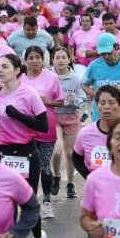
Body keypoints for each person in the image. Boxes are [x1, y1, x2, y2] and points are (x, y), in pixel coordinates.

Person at [0, 53, 50, 238]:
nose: (0, 70)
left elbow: (43, 126)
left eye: (5, 66)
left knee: (28, 203)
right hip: (2, 153)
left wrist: (18, 115)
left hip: (27, 153)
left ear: (17, 70)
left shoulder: (29, 94)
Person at [71, 85, 120, 238]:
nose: (106, 107)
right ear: (96, 105)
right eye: (102, 103)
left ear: (119, 105)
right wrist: (89, 176)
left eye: (111, 103)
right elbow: (76, 157)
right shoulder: (86, 133)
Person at [20, 46, 64, 216]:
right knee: (27, 168)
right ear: (25, 60)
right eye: (31, 58)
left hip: (46, 129)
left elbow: (60, 102)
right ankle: (28, 203)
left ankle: (46, 202)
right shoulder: (20, 78)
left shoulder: (51, 78)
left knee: (45, 166)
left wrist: (48, 101)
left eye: (38, 57)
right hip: (25, 130)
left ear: (42, 59)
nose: (35, 61)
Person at [48, 47, 86, 199]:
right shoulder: (48, 76)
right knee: (57, 151)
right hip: (54, 117)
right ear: (53, 59)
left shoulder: (76, 78)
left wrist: (73, 101)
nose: (61, 60)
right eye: (57, 57)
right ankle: (56, 177)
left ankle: (70, 184)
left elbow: (82, 100)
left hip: (71, 117)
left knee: (70, 154)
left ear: (69, 59)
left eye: (64, 57)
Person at [81, 33, 120, 121]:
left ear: (116, 47)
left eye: (109, 52)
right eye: (103, 53)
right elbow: (83, 84)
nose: (106, 56)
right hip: (100, 116)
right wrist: (93, 94)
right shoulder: (94, 66)